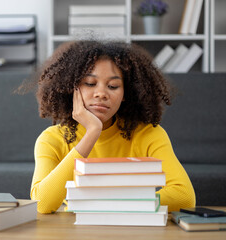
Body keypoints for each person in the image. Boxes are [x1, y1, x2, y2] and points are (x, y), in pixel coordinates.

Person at [29, 40, 196, 214]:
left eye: (113, 86)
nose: (101, 93)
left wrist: (114, 205)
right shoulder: (51, 140)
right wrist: (92, 132)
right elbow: (42, 204)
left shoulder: (148, 134)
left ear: (125, 93)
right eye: (90, 83)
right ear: (72, 89)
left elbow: (184, 195)